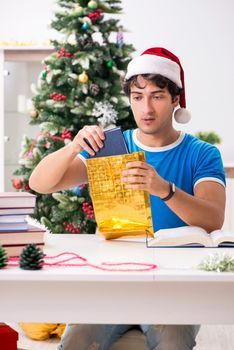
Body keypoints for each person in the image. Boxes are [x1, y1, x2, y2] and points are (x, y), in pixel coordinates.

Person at [29, 47, 226, 350]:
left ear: (176, 99)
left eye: (157, 96)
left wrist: (165, 189)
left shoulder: (202, 153)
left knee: (173, 343)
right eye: (137, 96)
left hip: (174, 285)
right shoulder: (112, 145)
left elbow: (213, 219)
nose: (146, 107)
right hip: (114, 278)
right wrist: (72, 147)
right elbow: (39, 183)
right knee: (75, 341)